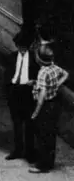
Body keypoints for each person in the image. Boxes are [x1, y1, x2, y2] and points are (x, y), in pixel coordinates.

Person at [30, 45, 68, 174]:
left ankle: (41, 165)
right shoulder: (53, 67)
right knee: (51, 135)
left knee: (42, 136)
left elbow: (42, 96)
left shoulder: (43, 72)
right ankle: (49, 162)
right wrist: (57, 84)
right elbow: (65, 74)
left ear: (39, 59)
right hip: (54, 104)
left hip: (45, 106)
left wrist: (35, 112)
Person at [5, 32, 39, 164]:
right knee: (17, 122)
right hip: (15, 90)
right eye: (19, 47)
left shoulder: (34, 59)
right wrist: (9, 89)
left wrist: (34, 81)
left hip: (28, 91)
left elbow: (39, 75)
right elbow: (7, 74)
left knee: (29, 123)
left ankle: (29, 152)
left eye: (24, 47)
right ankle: (17, 149)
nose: (22, 49)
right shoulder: (11, 57)